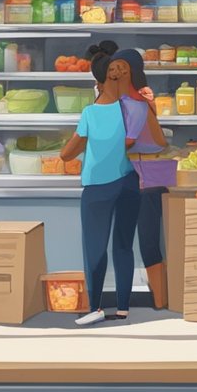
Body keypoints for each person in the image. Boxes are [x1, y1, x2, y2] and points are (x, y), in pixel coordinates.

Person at [60, 42, 141, 326]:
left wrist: (70, 148)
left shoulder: (90, 114)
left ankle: (95, 308)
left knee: (95, 248)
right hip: (130, 182)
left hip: (97, 188)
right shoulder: (132, 109)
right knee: (123, 246)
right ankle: (123, 308)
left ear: (98, 82)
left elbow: (67, 153)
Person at [113, 47, 169, 311]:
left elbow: (126, 141)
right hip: (156, 175)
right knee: (153, 239)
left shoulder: (130, 103)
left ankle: (160, 299)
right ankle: (162, 298)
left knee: (144, 241)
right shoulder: (144, 97)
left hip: (140, 177)